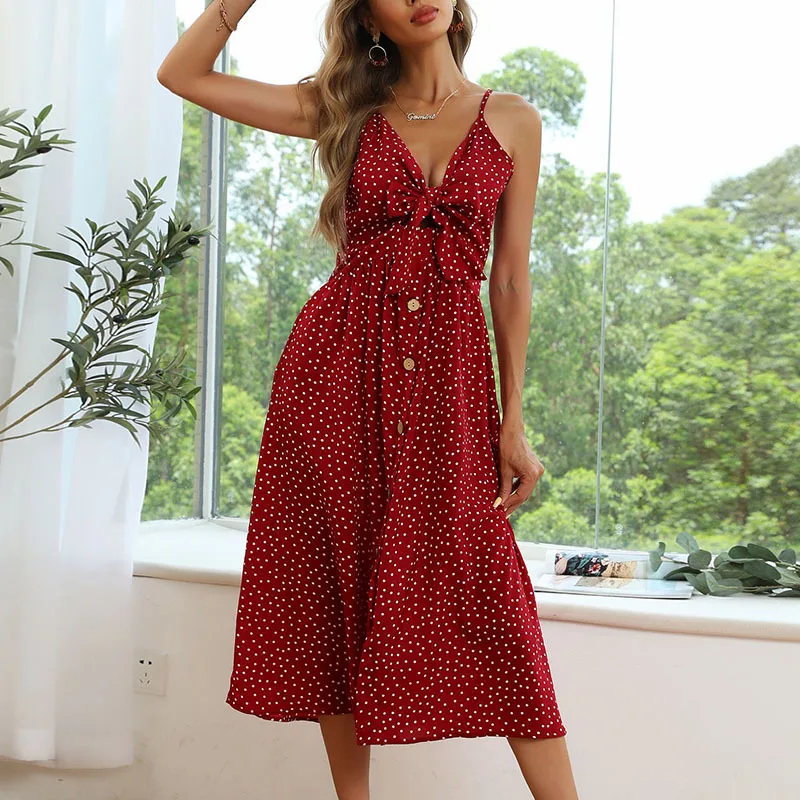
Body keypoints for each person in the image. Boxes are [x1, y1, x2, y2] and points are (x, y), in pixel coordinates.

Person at [158, 1, 580, 798]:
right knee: (340, 581)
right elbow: (183, 75)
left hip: (453, 384)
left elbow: (510, 279)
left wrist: (513, 420)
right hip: (336, 371)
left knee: (490, 596)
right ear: (370, 20)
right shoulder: (344, 108)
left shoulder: (514, 120)